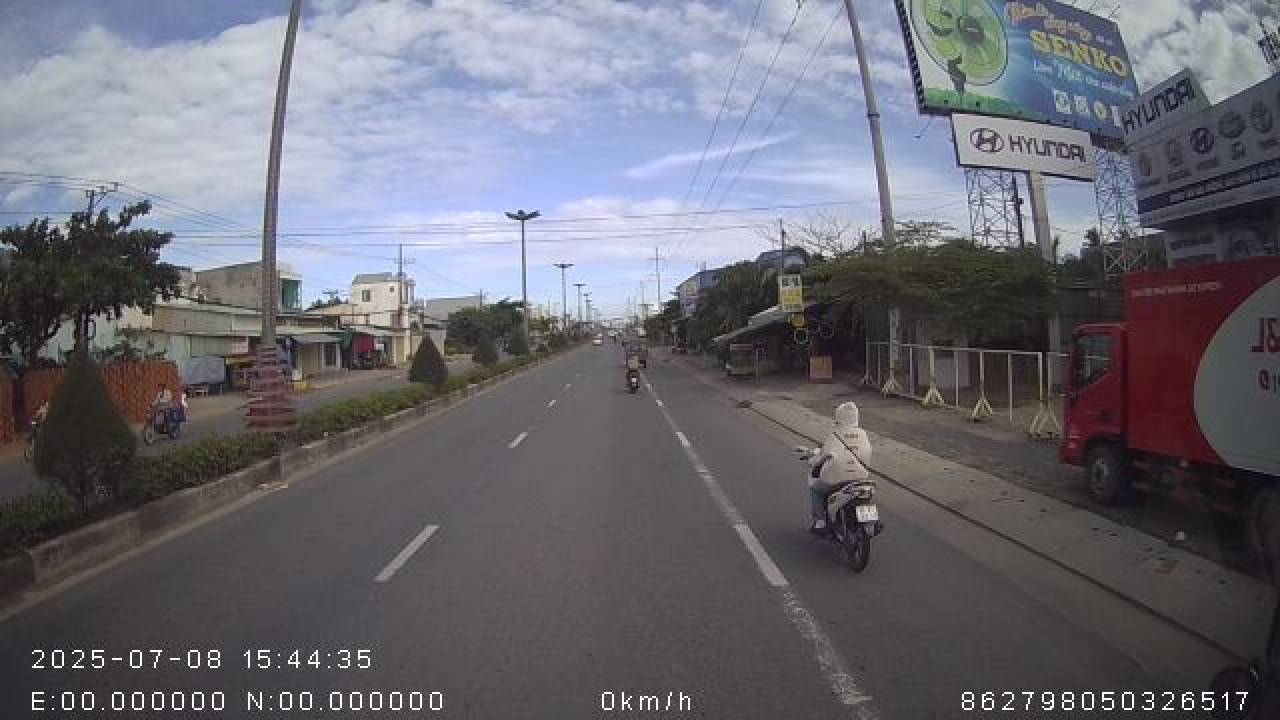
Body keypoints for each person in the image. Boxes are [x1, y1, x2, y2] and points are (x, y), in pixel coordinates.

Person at [807, 401, 873, 533]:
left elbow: (823, 455)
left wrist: (812, 461)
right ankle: (868, 524)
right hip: (860, 478)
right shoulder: (863, 434)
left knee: (815, 489)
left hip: (837, 479)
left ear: (838, 417)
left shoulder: (835, 435)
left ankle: (820, 522)